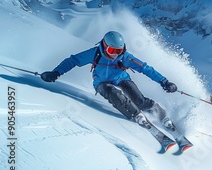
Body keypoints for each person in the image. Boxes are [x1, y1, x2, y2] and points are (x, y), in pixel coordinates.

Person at [40, 31, 177, 127]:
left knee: (139, 100)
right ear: (105, 47)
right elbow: (73, 60)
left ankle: (162, 116)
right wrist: (56, 73)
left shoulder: (125, 57)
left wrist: (164, 81)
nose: (116, 55)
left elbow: (145, 68)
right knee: (114, 94)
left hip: (120, 78)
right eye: (112, 51)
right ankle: (136, 115)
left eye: (119, 51)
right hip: (101, 82)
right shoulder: (94, 54)